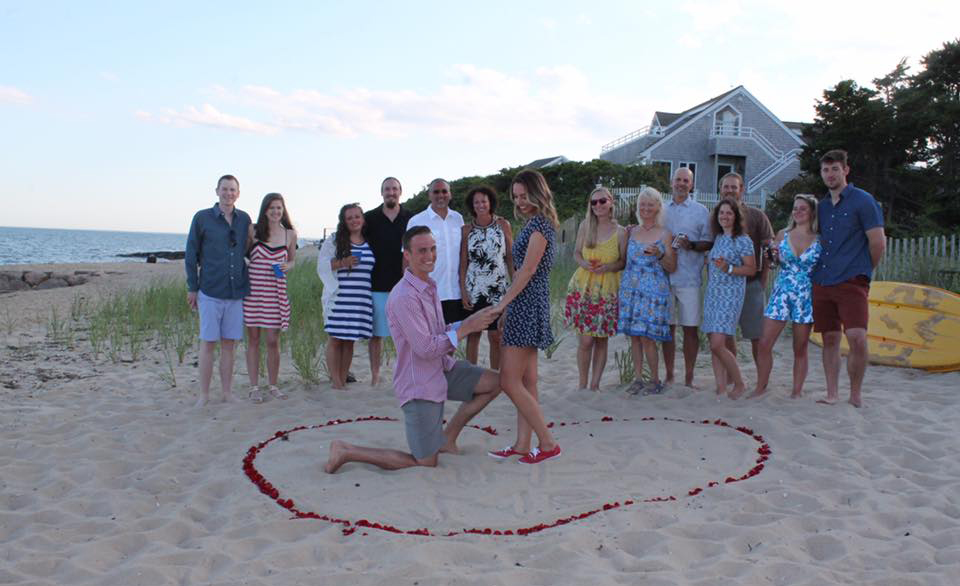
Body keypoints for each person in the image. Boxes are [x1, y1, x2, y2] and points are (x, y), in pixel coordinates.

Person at [323, 226, 501, 473]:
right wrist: (465, 329)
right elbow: (426, 348)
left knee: (495, 382)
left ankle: (447, 438)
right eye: (422, 251)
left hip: (442, 370)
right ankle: (347, 450)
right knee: (425, 462)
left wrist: (468, 323)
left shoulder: (428, 284)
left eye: (432, 249)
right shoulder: (404, 297)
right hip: (420, 385)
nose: (429, 255)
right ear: (407, 254)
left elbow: (439, 330)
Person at [488, 169, 562, 464]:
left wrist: (502, 305)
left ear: (537, 193)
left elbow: (528, 271)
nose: (519, 201)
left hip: (526, 303)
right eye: (516, 197)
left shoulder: (540, 226)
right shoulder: (534, 223)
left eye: (524, 195)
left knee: (509, 380)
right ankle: (522, 444)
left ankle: (547, 443)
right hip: (527, 301)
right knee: (528, 380)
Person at [811, 150, 885, 407]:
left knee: (856, 337)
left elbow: (877, 242)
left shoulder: (863, 201)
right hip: (822, 280)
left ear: (846, 170)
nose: (830, 174)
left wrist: (864, 273)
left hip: (852, 280)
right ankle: (832, 393)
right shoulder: (820, 207)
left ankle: (855, 394)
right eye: (825, 170)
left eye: (835, 169)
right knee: (829, 339)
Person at [185, 174, 252, 407]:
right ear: (217, 191)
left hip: (236, 293)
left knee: (229, 346)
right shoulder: (202, 218)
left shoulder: (244, 219)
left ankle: (226, 393)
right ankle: (203, 395)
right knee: (208, 343)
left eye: (233, 190)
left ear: (238, 193)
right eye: (224, 189)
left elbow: (249, 249)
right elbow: (191, 254)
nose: (228, 193)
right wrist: (192, 288)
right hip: (210, 291)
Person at [752, 194, 821, 398]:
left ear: (812, 213)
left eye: (803, 209)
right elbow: (773, 263)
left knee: (799, 347)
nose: (797, 212)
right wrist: (770, 259)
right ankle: (760, 386)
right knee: (764, 343)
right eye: (795, 208)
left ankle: (796, 392)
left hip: (806, 295)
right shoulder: (783, 234)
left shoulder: (820, 239)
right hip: (781, 292)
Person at [564, 187, 627, 391]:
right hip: (583, 288)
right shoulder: (585, 226)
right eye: (594, 202)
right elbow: (576, 253)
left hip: (607, 290)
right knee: (585, 340)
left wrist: (608, 267)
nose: (598, 205)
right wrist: (583, 264)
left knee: (601, 339)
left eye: (602, 201)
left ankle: (594, 385)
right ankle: (582, 383)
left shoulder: (621, 232)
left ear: (611, 202)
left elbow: (623, 261)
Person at [617, 187, 677, 395]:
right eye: (642, 204)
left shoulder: (665, 234)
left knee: (647, 337)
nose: (646, 208)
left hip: (653, 292)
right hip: (631, 290)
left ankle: (655, 379)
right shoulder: (631, 231)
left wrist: (660, 253)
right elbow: (624, 261)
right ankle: (637, 379)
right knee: (634, 336)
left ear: (658, 207)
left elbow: (672, 267)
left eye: (650, 204)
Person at [243, 193, 297, 403]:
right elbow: (244, 254)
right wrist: (247, 262)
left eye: (279, 208)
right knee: (254, 340)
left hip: (276, 292)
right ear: (265, 210)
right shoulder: (253, 230)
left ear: (283, 211)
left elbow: (292, 261)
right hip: (254, 293)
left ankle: (273, 385)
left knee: (273, 341)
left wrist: (287, 266)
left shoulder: (289, 234)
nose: (276, 211)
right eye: (272, 207)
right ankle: (254, 386)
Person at [663, 167, 714, 387]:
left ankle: (689, 376)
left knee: (690, 328)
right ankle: (669, 374)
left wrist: (690, 244)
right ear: (672, 182)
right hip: (663, 278)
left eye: (686, 180)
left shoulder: (701, 211)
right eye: (678, 179)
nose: (681, 183)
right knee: (667, 329)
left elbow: (708, 242)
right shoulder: (661, 209)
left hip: (689, 278)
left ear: (691, 185)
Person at [718, 173, 774, 368]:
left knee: (757, 336)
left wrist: (763, 281)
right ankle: (732, 376)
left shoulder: (757, 216)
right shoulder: (717, 217)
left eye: (734, 187)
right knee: (725, 335)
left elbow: (769, 250)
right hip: (724, 287)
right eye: (726, 186)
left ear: (742, 190)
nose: (730, 190)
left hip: (751, 285)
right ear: (721, 189)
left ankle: (762, 380)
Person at [702, 198, 756, 398]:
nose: (724, 216)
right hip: (713, 293)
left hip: (730, 295)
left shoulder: (742, 240)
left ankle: (740, 383)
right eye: (721, 213)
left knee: (718, 343)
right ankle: (721, 387)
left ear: (736, 216)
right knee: (713, 343)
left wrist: (730, 268)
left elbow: (751, 269)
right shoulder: (718, 238)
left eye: (729, 213)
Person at [458, 185, 513, 369]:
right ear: (472, 206)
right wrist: (464, 292)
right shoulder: (466, 229)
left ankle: (496, 375)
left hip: (498, 288)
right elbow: (463, 263)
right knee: (473, 334)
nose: (480, 205)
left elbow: (510, 258)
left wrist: (514, 287)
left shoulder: (503, 225)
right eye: (476, 202)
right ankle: (471, 376)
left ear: (490, 203)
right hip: (474, 288)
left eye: (484, 201)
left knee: (496, 335)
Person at [364, 177, 412, 385]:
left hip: (405, 284)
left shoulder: (411, 218)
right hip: (377, 283)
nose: (390, 192)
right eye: (387, 189)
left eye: (394, 189)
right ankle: (375, 374)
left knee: (407, 334)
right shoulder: (370, 218)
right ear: (381, 192)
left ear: (400, 191)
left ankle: (407, 373)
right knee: (377, 334)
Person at [323, 204, 375, 389]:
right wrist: (343, 262)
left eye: (357, 216)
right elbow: (322, 266)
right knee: (336, 339)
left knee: (349, 340)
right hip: (340, 297)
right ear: (344, 222)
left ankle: (343, 377)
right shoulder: (336, 240)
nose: (354, 220)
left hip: (360, 299)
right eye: (349, 218)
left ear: (362, 219)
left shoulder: (369, 240)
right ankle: (336, 381)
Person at [407, 178, 465, 324]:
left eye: (444, 191)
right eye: (436, 192)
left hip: (455, 293)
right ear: (429, 195)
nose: (441, 195)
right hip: (428, 294)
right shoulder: (417, 221)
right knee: (430, 342)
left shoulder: (458, 219)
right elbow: (407, 259)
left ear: (450, 194)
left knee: (452, 342)